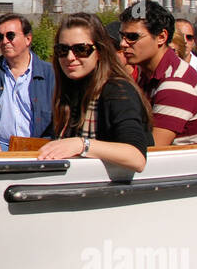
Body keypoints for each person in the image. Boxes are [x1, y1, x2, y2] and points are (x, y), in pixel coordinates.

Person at [37, 12, 152, 171]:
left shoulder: (117, 90)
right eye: (62, 49)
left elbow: (136, 157)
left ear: (100, 51)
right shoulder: (70, 90)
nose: (70, 57)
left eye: (81, 49)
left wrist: (81, 145)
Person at [119, 0, 197, 146]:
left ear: (161, 37)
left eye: (132, 37)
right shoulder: (148, 73)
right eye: (122, 36)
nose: (123, 43)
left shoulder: (176, 83)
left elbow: (151, 151)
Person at [0, 14, 55, 151]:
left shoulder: (50, 74)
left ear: (28, 39)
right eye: (0, 37)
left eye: (10, 36)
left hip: (40, 150)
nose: (4, 41)